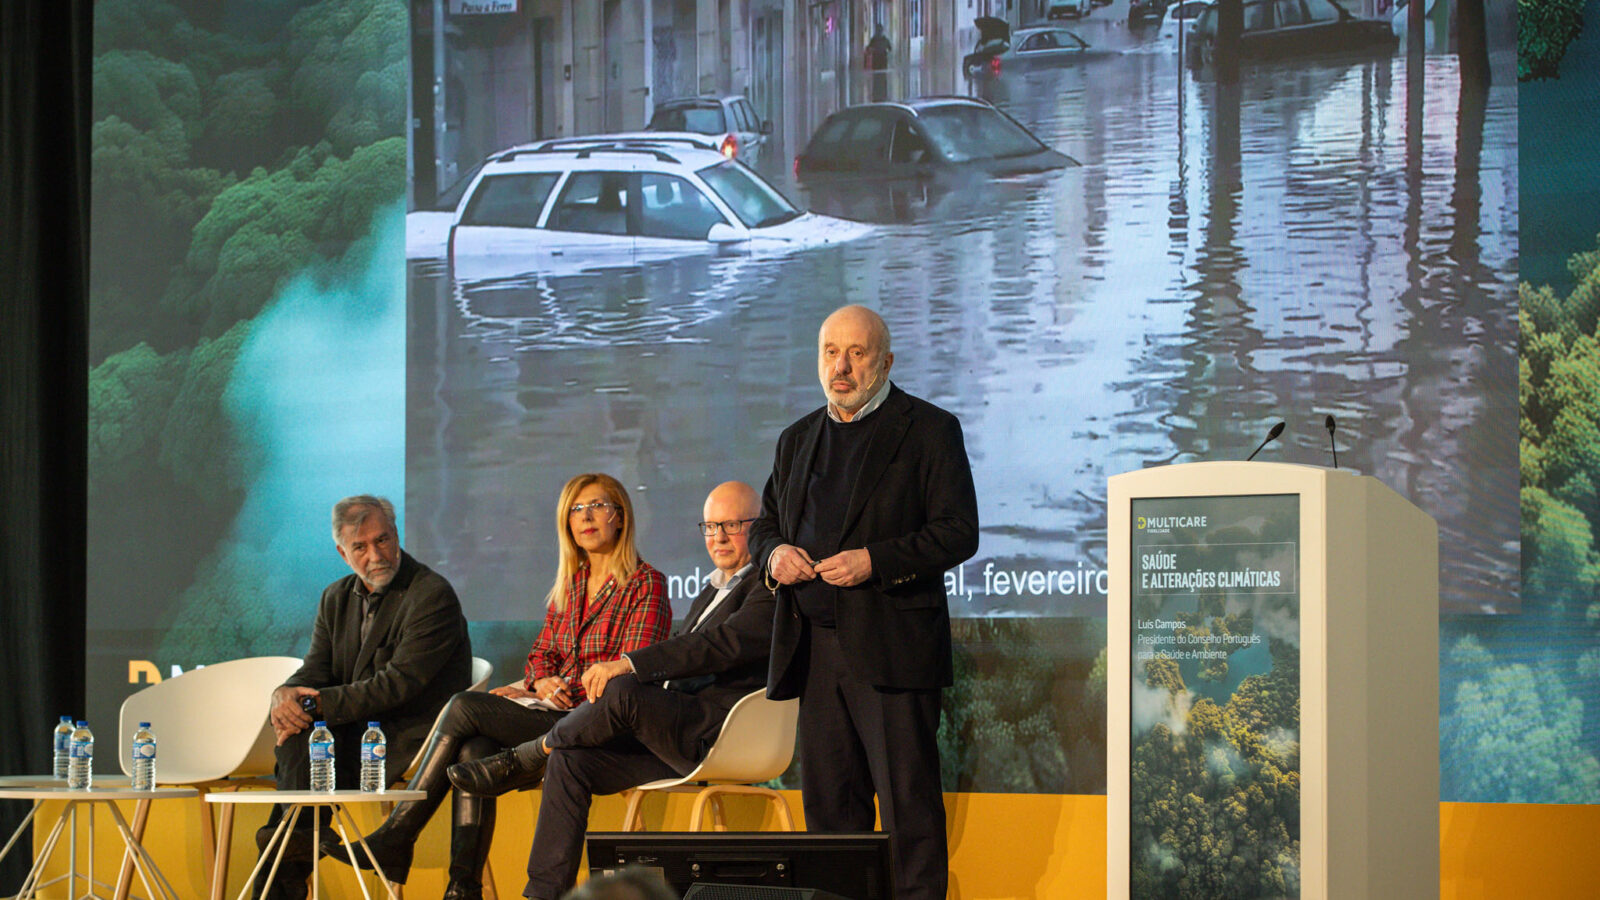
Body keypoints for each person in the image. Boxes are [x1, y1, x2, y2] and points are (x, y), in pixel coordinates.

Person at [325, 473, 670, 900]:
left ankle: (399, 832)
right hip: (554, 713)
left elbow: (628, 678)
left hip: (598, 724)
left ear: (620, 517)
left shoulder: (646, 584)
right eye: (577, 509)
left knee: (464, 707)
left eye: (598, 506)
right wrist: (541, 681)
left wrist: (555, 690)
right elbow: (539, 657)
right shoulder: (571, 584)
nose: (587, 517)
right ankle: (463, 887)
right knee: (475, 749)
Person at [445, 482, 777, 900]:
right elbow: (545, 652)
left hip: (714, 734)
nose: (719, 537)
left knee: (622, 689)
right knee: (570, 760)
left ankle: (529, 755)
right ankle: (543, 894)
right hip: (664, 736)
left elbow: (717, 648)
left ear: (760, 527)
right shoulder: (711, 588)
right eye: (710, 526)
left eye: (732, 524)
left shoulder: (768, 587)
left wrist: (630, 663)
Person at [748, 305, 978, 900]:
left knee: (910, 818)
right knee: (831, 820)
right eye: (830, 352)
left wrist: (874, 560)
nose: (841, 367)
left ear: (886, 361)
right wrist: (773, 556)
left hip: (893, 652)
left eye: (857, 353)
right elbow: (765, 525)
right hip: (816, 654)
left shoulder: (929, 429)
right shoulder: (796, 439)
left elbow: (958, 532)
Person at [256, 494, 472, 900]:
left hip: (409, 738)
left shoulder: (431, 594)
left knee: (305, 739)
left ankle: (289, 854)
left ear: (396, 534)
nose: (376, 554)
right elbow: (316, 670)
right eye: (361, 546)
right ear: (343, 553)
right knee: (301, 734)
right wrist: (284, 695)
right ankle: (301, 845)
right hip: (351, 737)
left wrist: (313, 705)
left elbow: (398, 684)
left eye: (383, 539)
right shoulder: (335, 597)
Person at [865, 24, 892, 101]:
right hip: (881, 61)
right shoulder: (883, 39)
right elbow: (890, 48)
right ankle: (881, 93)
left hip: (878, 62)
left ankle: (879, 93)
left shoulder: (874, 40)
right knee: (881, 79)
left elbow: (869, 48)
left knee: (878, 80)